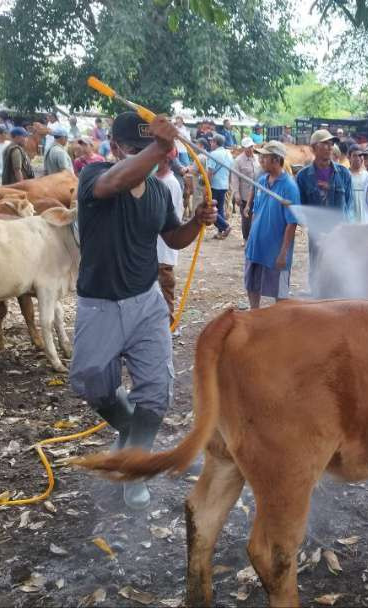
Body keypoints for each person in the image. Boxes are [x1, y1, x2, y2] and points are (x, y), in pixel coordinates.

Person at [70, 111, 215, 509]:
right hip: (99, 303)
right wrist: (158, 147)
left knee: (156, 389)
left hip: (146, 302)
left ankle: (135, 468)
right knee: (91, 382)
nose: (152, 159)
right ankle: (135, 438)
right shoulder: (95, 175)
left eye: (154, 151)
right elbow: (116, 181)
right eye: (136, 149)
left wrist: (197, 222)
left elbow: (173, 236)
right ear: (115, 148)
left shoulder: (159, 191)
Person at [244, 140, 300, 309]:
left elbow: (291, 223)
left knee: (279, 292)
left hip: (275, 249)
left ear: (276, 159)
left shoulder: (289, 187)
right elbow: (256, 211)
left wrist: (283, 253)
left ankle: (281, 325)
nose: (261, 161)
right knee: (252, 284)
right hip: (256, 246)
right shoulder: (262, 181)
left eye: (265, 157)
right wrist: (251, 239)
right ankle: (254, 314)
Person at [154, 145, 185, 327]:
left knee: (165, 287)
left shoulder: (170, 184)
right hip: (154, 247)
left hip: (163, 248)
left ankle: (169, 325)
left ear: (166, 160)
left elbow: (170, 220)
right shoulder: (155, 180)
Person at [203, 133, 234, 239]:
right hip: (224, 185)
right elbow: (231, 171)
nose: (210, 143)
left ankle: (226, 226)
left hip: (214, 185)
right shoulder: (229, 154)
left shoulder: (213, 154)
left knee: (211, 209)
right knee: (219, 209)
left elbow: (210, 172)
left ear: (215, 142)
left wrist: (207, 187)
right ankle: (221, 231)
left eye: (211, 141)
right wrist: (229, 184)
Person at [231, 137, 262, 241]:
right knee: (246, 218)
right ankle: (246, 238)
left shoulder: (258, 158)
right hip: (245, 194)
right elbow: (234, 178)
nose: (250, 149)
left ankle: (255, 237)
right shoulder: (238, 161)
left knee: (257, 216)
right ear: (244, 148)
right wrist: (236, 193)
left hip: (258, 194)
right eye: (248, 147)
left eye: (251, 147)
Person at [347, 144, 368, 223]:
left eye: (360, 156)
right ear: (349, 158)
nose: (358, 158)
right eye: (355, 156)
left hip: (366, 216)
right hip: (350, 215)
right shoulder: (345, 175)